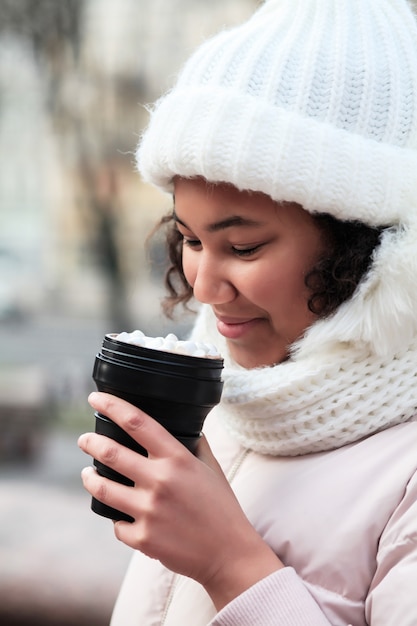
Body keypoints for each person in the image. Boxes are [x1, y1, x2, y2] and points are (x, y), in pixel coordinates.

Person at [78, 0, 417, 623]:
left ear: (370, 248)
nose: (204, 286)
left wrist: (230, 565)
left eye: (243, 247)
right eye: (191, 239)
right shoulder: (240, 395)